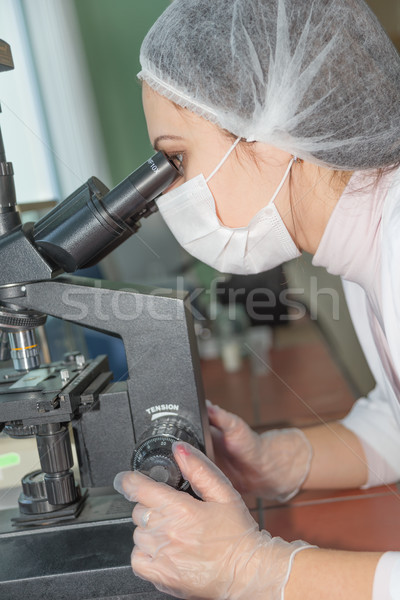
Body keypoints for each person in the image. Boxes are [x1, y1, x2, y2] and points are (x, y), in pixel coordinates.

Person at [113, 0, 400, 598]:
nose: (170, 194)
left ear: (269, 133)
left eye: (176, 159)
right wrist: (275, 460)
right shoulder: (363, 238)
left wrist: (256, 570)